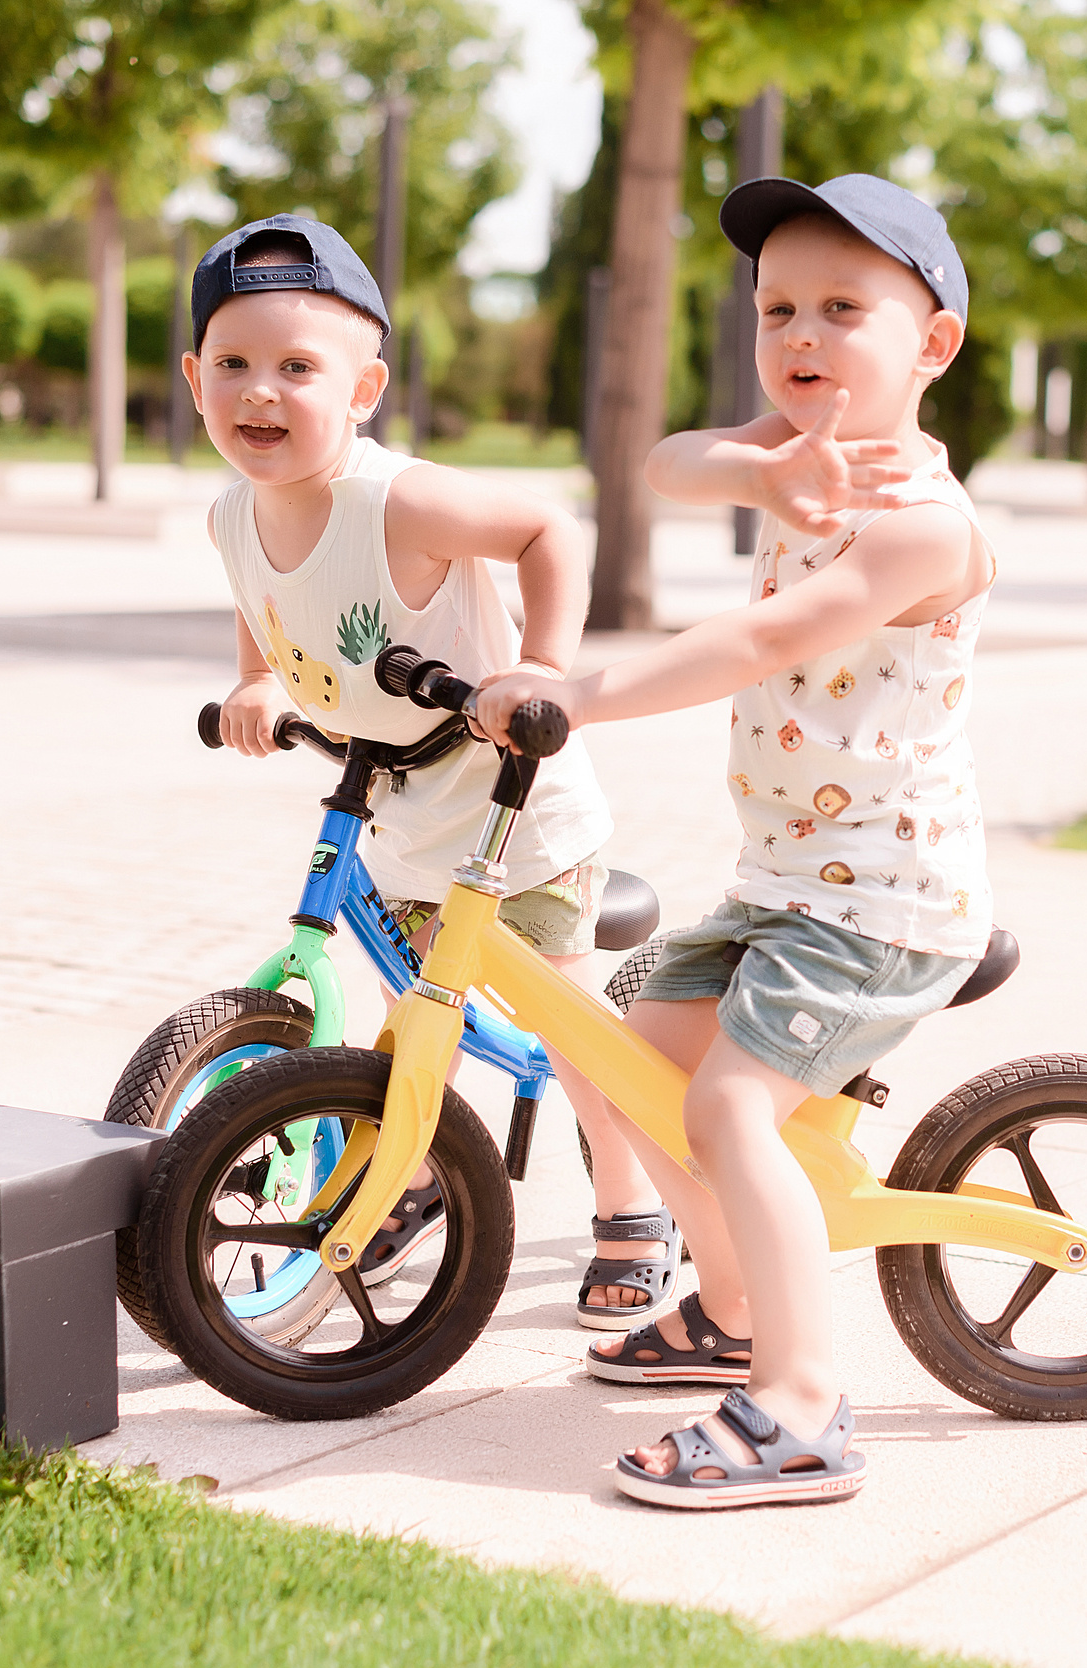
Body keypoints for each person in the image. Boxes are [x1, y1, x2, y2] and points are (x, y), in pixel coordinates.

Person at [477, 175, 994, 1509]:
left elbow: (763, 638)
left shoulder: (925, 525)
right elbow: (668, 462)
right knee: (641, 1056)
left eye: (843, 309)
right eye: (777, 310)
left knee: (724, 1104)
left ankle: (802, 1405)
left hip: (885, 906)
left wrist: (575, 692)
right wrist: (763, 467)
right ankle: (729, 1304)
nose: (801, 334)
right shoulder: (804, 453)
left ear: (932, 344)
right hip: (790, 886)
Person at [187, 215, 677, 1320]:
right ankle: (409, 1179)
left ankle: (632, 1209)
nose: (260, 391)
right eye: (233, 364)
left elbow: (548, 529)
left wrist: (541, 668)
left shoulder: (396, 499)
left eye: (297, 368)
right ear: (193, 377)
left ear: (364, 389)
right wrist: (257, 680)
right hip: (402, 809)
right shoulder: (230, 513)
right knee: (415, 1016)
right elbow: (257, 593)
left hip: (515, 812)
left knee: (570, 1033)